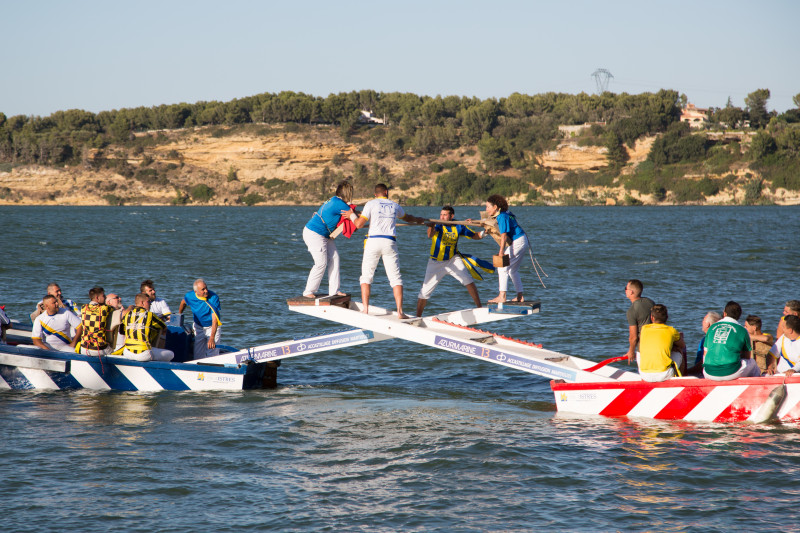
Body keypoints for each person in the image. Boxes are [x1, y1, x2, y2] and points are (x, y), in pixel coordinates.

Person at [353, 183, 425, 319]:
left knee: (366, 276)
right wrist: (418, 220)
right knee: (395, 278)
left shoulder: (370, 204)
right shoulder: (394, 205)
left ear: (375, 194)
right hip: (389, 241)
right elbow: (408, 218)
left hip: (373, 241)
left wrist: (352, 215)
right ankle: (400, 312)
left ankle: (365, 309)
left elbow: (359, 224)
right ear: (386, 192)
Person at [416, 206, 485, 317]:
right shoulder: (438, 224)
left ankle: (479, 308)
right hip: (435, 262)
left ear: (451, 216)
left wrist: (486, 232)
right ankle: (417, 317)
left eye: (445, 215)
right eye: (441, 214)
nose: (442, 217)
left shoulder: (458, 225)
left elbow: (475, 236)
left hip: (452, 260)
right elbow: (430, 235)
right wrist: (431, 226)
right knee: (425, 292)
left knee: (468, 280)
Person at [302, 180, 357, 298]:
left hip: (323, 234)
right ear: (347, 193)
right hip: (315, 234)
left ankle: (334, 291)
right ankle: (308, 291)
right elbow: (355, 217)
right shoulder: (340, 204)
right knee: (320, 263)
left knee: (335, 258)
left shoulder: (334, 200)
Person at [483, 194, 529, 303]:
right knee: (513, 270)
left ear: (495, 207)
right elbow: (488, 220)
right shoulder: (505, 213)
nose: (486, 209)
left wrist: (501, 252)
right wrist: (473, 221)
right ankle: (520, 297)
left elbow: (503, 236)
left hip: (518, 242)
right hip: (522, 240)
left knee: (502, 267)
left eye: (488, 207)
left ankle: (502, 296)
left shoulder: (502, 217)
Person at [703, 301, 760, 380]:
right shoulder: (742, 330)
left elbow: (705, 354)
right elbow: (747, 357)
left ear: (724, 313)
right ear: (739, 316)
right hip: (730, 373)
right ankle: (756, 385)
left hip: (708, 372)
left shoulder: (712, 328)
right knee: (752, 363)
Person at [637, 304, 687, 382]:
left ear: (652, 318)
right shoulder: (671, 330)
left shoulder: (644, 329)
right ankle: (680, 381)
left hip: (644, 374)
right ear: (667, 317)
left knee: (639, 352)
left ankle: (643, 380)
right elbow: (682, 345)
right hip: (663, 374)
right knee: (679, 352)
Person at [120, 293, 174, 361]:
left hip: (127, 353)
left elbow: (122, 331)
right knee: (171, 354)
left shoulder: (127, 315)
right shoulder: (150, 315)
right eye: (148, 302)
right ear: (142, 303)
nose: (150, 304)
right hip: (143, 354)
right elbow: (164, 327)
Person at [178, 278, 222, 358]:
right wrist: (179, 315)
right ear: (196, 292)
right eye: (203, 289)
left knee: (212, 354)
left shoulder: (213, 298)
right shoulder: (189, 296)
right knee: (198, 355)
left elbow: (215, 321)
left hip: (212, 327)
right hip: (198, 327)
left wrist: (212, 338)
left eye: (206, 288)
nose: (206, 291)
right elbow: (183, 303)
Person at [75, 286, 113, 356]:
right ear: (97, 298)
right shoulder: (105, 308)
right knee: (113, 349)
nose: (105, 297)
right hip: (98, 349)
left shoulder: (83, 307)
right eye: (103, 296)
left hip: (84, 347)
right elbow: (114, 309)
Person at [624, 279, 655, 364]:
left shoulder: (632, 310)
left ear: (631, 292)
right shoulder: (650, 302)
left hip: (643, 348)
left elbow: (633, 337)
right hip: (656, 343)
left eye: (625, 288)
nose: (625, 291)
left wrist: (631, 351)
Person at [687, 311, 721, 375]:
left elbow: (702, 363)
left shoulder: (707, 340)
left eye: (703, 320)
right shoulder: (718, 338)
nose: (702, 322)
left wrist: (686, 372)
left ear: (708, 324)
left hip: (705, 373)